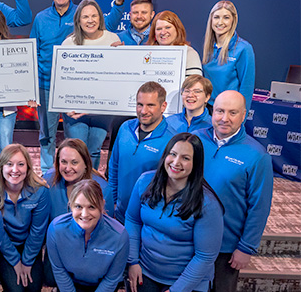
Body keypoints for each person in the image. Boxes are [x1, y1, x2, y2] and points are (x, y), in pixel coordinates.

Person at [31, 0, 128, 171]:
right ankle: (49, 172)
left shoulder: (83, 12)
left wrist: (118, 2)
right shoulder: (41, 18)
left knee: (91, 143)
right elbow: (33, 51)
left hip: (86, 93)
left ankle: (87, 180)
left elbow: (108, 24)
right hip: (47, 85)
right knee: (47, 135)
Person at [126, 133, 224, 292]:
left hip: (187, 282)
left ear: (195, 163)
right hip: (145, 271)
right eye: (173, 154)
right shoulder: (144, 182)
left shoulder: (208, 204)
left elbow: (204, 257)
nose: (176, 162)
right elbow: (132, 220)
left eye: (186, 158)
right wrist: (133, 262)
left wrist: (176, 290)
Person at [196, 91, 273, 292]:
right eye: (220, 111)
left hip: (226, 248)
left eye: (232, 112)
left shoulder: (257, 156)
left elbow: (259, 207)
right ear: (212, 112)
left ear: (244, 115)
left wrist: (246, 247)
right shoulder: (194, 141)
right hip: (189, 238)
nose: (224, 118)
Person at [62, 0, 122, 168]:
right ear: (78, 20)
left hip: (102, 110)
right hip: (74, 110)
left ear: (100, 18)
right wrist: (64, 106)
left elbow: (118, 75)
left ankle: (90, 189)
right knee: (77, 151)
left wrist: (123, 55)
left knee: (95, 150)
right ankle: (75, 188)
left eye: (94, 16)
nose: (90, 20)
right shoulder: (69, 43)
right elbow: (62, 80)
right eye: (85, 16)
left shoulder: (113, 39)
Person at [0, 144, 50, 292]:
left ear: (28, 168)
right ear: (1, 167)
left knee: (33, 288)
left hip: (29, 245)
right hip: (2, 245)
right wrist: (15, 261)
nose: (15, 170)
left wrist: (26, 261)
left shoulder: (40, 191)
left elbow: (38, 230)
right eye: (9, 164)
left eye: (21, 164)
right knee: (16, 289)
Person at [108, 81, 176, 223]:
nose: (143, 111)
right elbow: (114, 167)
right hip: (120, 213)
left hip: (149, 219)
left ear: (163, 106)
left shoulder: (172, 140)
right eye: (140, 104)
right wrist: (112, 201)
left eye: (150, 105)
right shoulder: (125, 128)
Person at [46, 180, 129, 292]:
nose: (84, 214)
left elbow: (111, 279)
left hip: (102, 286)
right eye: (78, 207)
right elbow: (59, 270)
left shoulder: (119, 235)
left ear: (102, 205)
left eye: (91, 207)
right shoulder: (56, 229)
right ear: (70, 206)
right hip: (71, 284)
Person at [0, 9, 37, 155]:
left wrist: (29, 96)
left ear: (2, 27)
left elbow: (21, 75)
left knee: (5, 148)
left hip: (6, 109)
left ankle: (2, 178)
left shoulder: (13, 49)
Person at [202, 1, 255, 111]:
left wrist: (241, 119)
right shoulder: (209, 47)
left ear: (233, 20)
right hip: (207, 110)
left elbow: (246, 88)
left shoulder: (243, 48)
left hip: (229, 111)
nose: (220, 22)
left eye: (226, 17)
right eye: (216, 17)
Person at [43, 138, 111, 221]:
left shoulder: (103, 190)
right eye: (64, 162)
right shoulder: (48, 181)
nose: (68, 168)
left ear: (86, 164)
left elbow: (106, 228)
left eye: (74, 162)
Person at [146, 10, 203, 76]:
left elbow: (194, 84)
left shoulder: (189, 53)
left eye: (168, 27)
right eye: (159, 29)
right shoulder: (147, 54)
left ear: (177, 30)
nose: (163, 32)